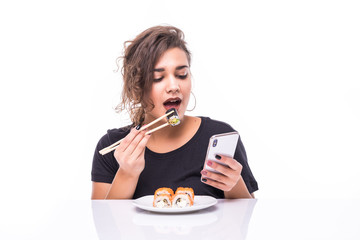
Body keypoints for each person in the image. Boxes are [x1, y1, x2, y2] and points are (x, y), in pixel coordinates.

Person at [91, 25, 258, 199]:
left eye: (182, 74)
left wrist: (234, 183)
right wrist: (127, 174)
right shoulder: (111, 147)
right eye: (158, 78)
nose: (174, 87)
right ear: (136, 88)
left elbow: (245, 221)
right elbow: (103, 224)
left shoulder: (219, 137)